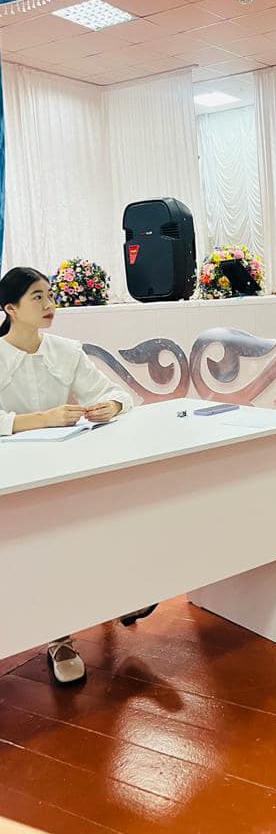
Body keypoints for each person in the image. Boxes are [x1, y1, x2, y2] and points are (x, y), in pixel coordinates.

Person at [0, 267, 156, 684]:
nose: (50, 305)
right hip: (10, 476)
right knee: (44, 546)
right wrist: (41, 419)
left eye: (50, 295)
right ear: (10, 308)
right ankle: (61, 639)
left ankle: (118, 596)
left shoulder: (65, 351)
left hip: (61, 465)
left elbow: (120, 393)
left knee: (98, 518)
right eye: (37, 297)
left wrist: (111, 407)